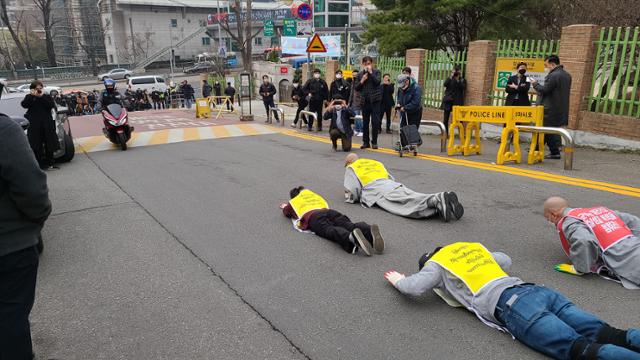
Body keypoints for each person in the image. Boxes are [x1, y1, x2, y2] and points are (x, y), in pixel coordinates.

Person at [384, 242, 640, 360]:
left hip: (514, 306)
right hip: (538, 291)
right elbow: (504, 260)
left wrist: (398, 279)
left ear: (429, 260)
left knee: (581, 349)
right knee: (609, 332)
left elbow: (414, 287)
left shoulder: (436, 265)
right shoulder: (471, 247)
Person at [0, 112, 52, 360]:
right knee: (10, 317)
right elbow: (32, 189)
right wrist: (36, 220)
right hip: (9, 247)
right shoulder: (3, 129)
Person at [543, 196, 640, 289]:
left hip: (629, 260)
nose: (549, 221)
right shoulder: (600, 210)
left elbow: (584, 240)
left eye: (548, 218)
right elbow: (634, 221)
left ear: (553, 215)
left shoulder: (569, 221)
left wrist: (580, 267)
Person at [343, 153, 463, 222]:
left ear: (349, 162)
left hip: (376, 189)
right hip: (391, 184)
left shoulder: (352, 167)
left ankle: (436, 199)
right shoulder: (375, 162)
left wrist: (352, 199)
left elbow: (353, 189)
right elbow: (389, 176)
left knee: (404, 208)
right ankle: (438, 202)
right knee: (412, 197)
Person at [280, 186, 384, 256]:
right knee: (347, 224)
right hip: (329, 212)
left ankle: (350, 237)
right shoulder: (314, 196)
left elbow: (287, 212)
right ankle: (367, 229)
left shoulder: (294, 201)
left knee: (329, 229)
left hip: (314, 216)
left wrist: (285, 206)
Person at [531, 55, 572, 160]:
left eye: (546, 65)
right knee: (547, 130)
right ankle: (545, 151)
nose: (546, 67)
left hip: (550, 107)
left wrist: (535, 84)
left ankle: (548, 151)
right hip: (560, 107)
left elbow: (545, 90)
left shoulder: (554, 75)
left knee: (545, 130)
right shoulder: (567, 75)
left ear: (552, 64)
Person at [21, 81, 59, 170]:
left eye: (40, 88)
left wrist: (41, 96)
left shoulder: (46, 96)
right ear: (32, 89)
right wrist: (32, 96)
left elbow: (50, 105)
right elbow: (24, 105)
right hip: (34, 125)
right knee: (36, 145)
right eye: (36, 89)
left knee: (49, 144)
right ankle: (39, 164)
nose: (38, 90)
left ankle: (50, 163)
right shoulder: (29, 97)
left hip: (47, 124)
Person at [354, 56, 382, 149]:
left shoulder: (377, 72)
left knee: (375, 122)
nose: (367, 65)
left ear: (372, 64)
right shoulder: (360, 74)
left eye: (369, 63)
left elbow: (377, 82)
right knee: (365, 122)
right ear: (363, 64)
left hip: (375, 101)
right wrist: (362, 80)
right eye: (365, 64)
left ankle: (374, 142)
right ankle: (365, 142)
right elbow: (357, 88)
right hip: (365, 101)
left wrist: (370, 73)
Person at [441, 65, 466, 133]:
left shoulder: (462, 79)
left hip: (457, 102)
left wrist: (458, 80)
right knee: (445, 119)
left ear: (460, 72)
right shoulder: (449, 79)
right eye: (454, 71)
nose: (455, 73)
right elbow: (445, 84)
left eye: (457, 72)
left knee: (460, 119)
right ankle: (445, 133)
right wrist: (450, 77)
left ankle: (461, 134)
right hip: (448, 101)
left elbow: (463, 87)